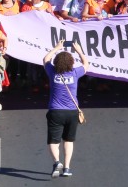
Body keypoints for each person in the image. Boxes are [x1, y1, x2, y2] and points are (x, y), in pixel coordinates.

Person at [43, 41, 88, 178]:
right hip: (72, 112)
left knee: (53, 141)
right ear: (71, 63)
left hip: (55, 111)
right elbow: (86, 64)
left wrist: (56, 48)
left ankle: (57, 162)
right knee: (68, 141)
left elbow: (46, 59)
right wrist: (79, 51)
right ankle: (67, 168)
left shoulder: (52, 72)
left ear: (56, 62)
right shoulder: (75, 73)